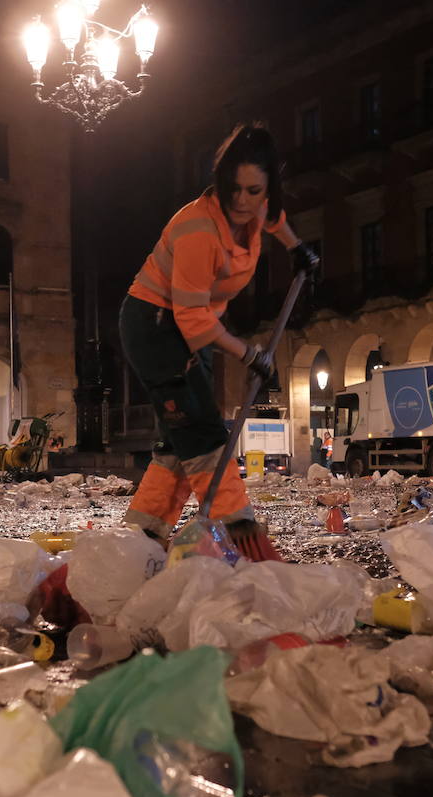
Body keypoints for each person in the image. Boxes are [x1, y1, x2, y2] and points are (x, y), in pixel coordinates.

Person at [120, 124, 318, 556]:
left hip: (195, 326)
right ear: (220, 181)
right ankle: (242, 533)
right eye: (234, 189)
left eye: (254, 190)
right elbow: (190, 318)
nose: (242, 201)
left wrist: (296, 248)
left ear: (266, 189)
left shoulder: (258, 209)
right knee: (203, 433)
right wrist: (249, 354)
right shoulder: (198, 230)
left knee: (179, 439)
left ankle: (141, 539)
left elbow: (275, 218)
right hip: (156, 325)